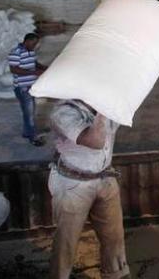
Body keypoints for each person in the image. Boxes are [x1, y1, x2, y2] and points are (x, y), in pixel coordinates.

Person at [48, 99, 129, 279]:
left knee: (114, 239)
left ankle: (116, 275)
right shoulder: (62, 112)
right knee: (65, 244)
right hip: (72, 185)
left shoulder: (107, 104)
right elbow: (96, 141)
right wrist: (104, 106)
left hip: (105, 177)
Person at [8, 33, 47, 146]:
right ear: (27, 41)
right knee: (29, 113)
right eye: (33, 43)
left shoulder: (31, 51)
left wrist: (43, 67)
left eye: (36, 44)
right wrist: (34, 72)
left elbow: (33, 63)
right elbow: (14, 69)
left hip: (30, 87)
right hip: (22, 88)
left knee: (30, 111)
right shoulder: (16, 52)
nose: (35, 46)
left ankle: (27, 132)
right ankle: (32, 137)